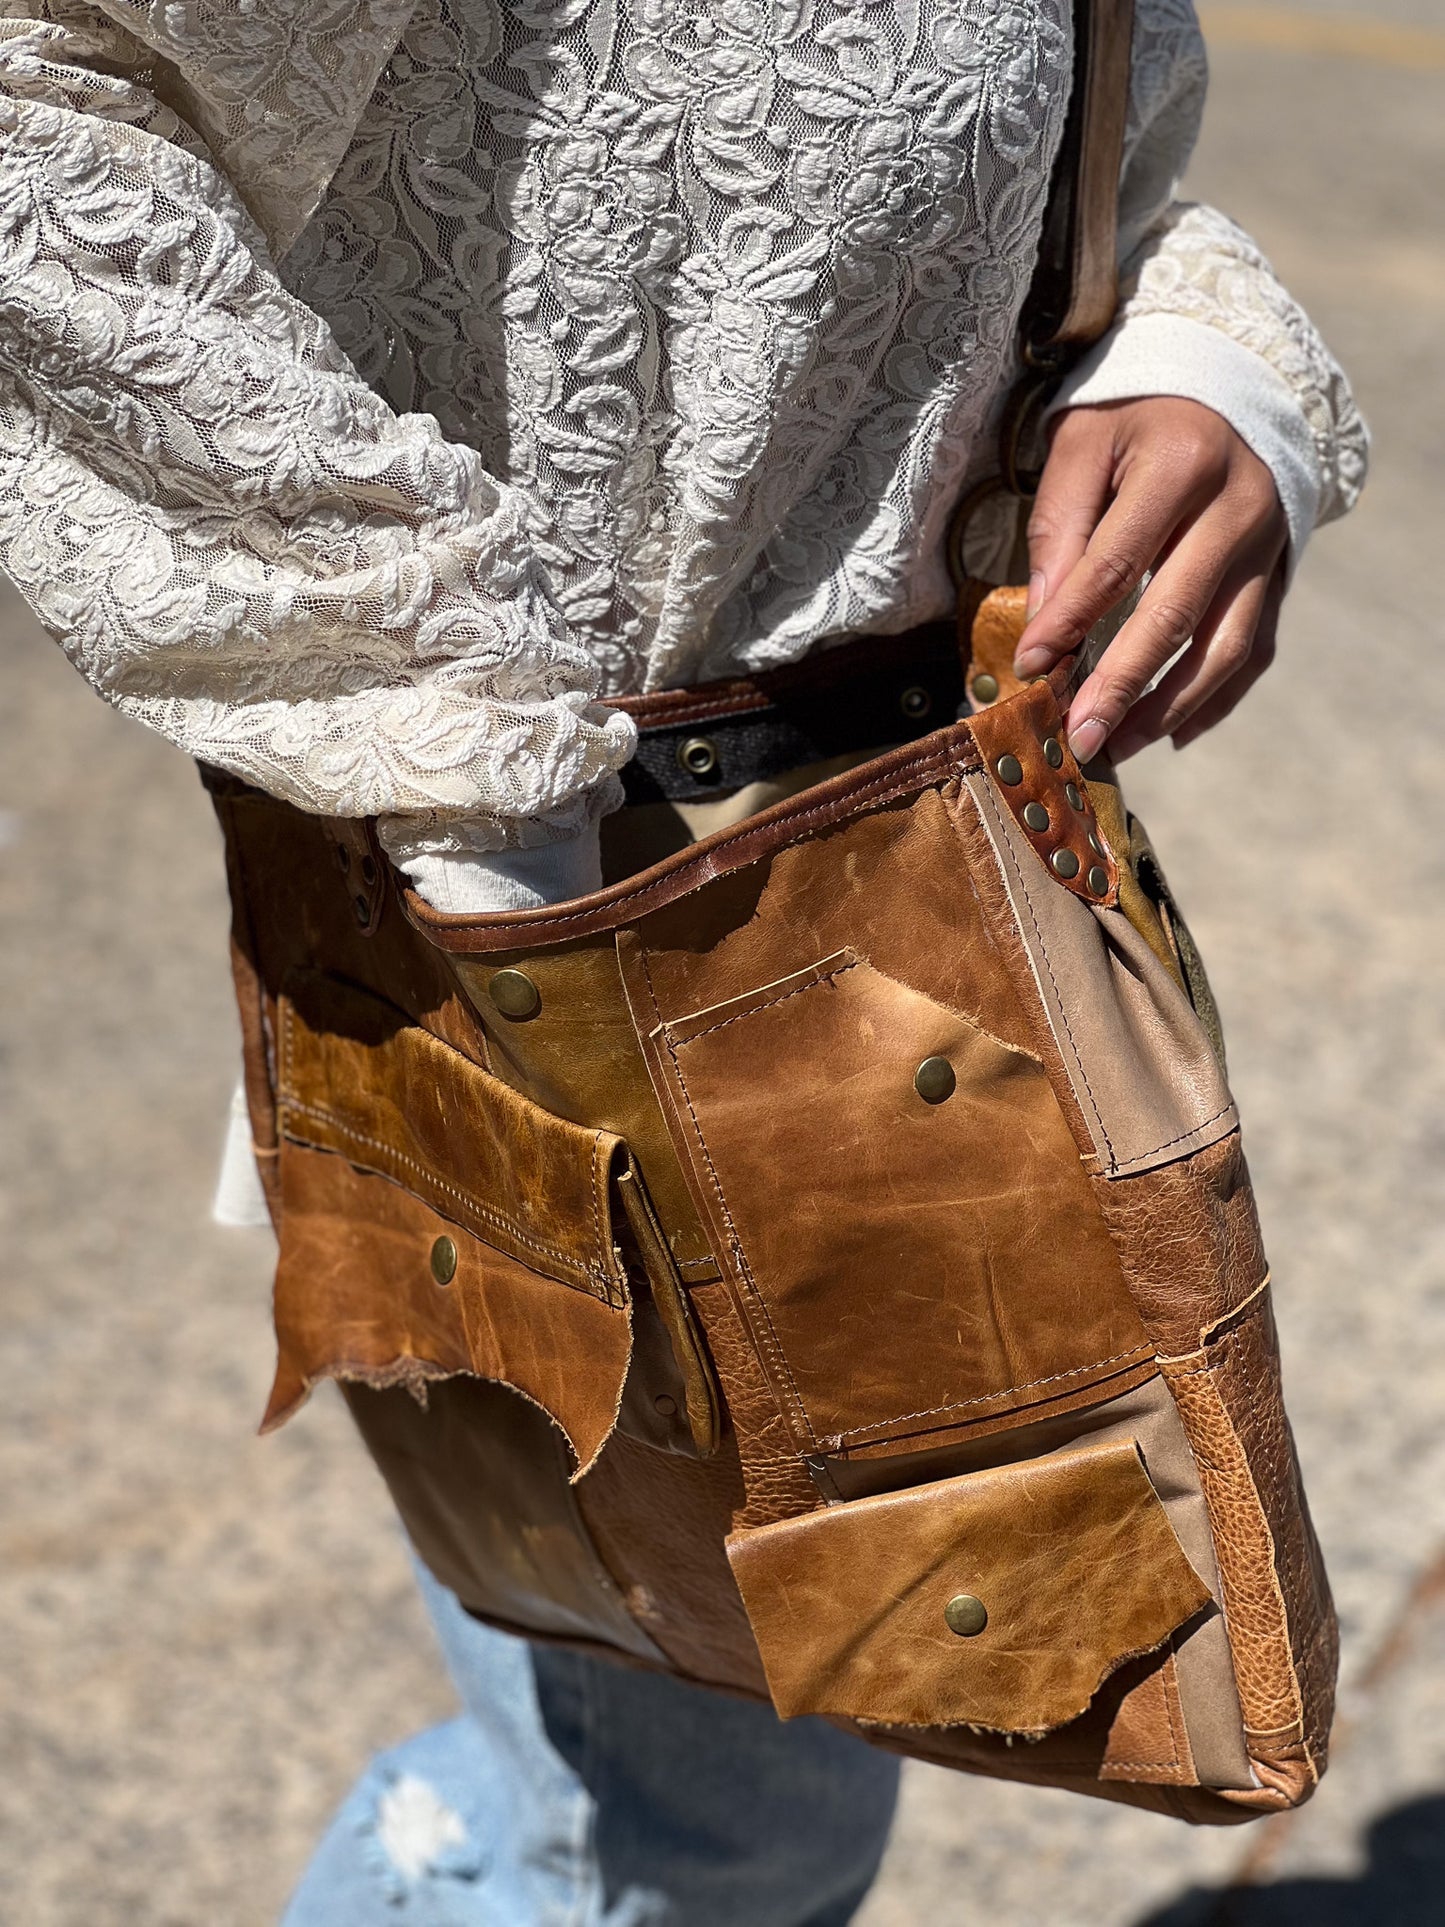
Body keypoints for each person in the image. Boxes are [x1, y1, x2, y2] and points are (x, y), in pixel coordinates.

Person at [0, 0, 1365, 1919]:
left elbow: (1064, 153)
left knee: (713, 1808)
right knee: (674, 1839)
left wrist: (1193, 354)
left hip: (912, 907)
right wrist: (429, 701)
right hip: (560, 925)